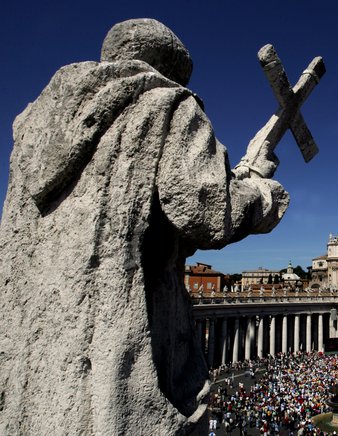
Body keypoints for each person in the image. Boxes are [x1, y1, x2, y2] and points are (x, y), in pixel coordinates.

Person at [0, 19, 291, 435]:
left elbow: (154, 225)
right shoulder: (167, 103)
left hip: (32, 361)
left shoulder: (33, 128)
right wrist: (262, 191)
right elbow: (207, 213)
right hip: (117, 351)